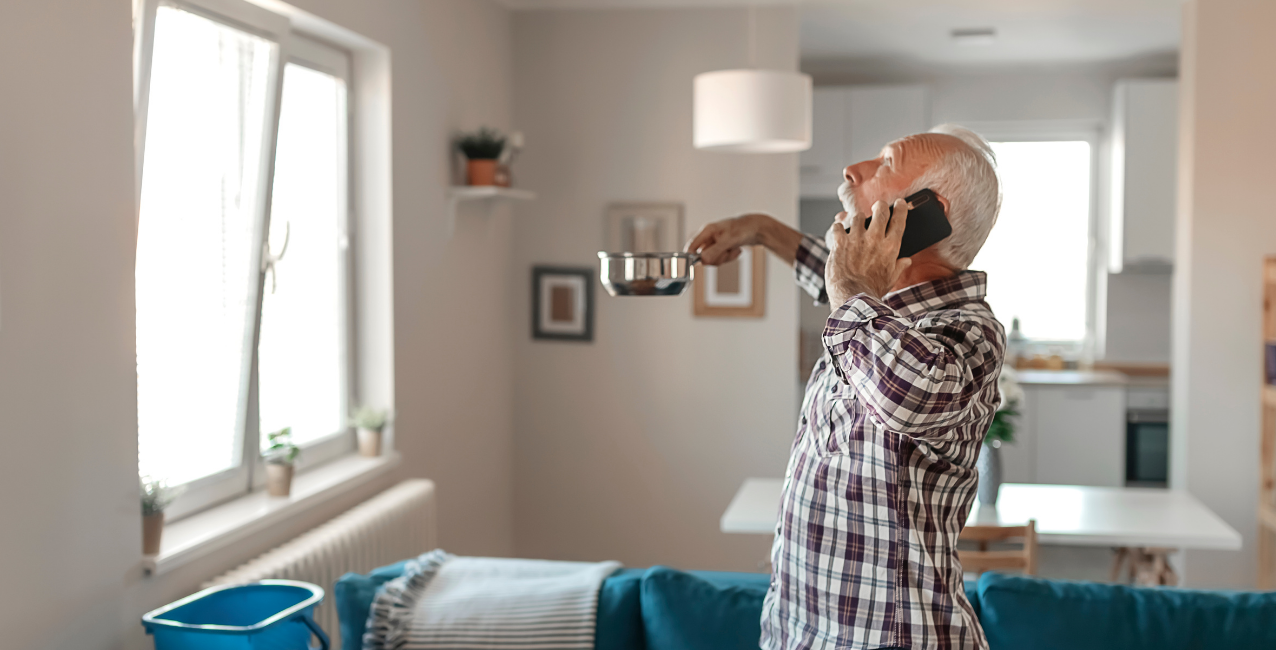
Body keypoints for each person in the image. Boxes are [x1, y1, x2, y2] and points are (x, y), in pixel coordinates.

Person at [687, 125, 1005, 650]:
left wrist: (851, 288)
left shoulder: (968, 331)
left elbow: (903, 393)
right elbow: (842, 286)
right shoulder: (872, 313)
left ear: (927, 214)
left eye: (885, 163)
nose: (852, 171)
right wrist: (761, 230)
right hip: (799, 630)